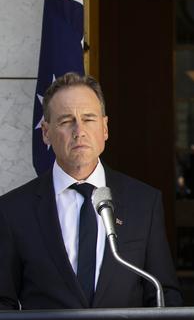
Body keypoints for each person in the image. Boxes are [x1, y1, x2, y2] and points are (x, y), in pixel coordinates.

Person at [0, 73, 182, 309]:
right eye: (66, 121)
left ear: (105, 128)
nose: (79, 131)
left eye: (88, 119)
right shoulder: (13, 209)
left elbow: (162, 292)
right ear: (46, 132)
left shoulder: (144, 203)